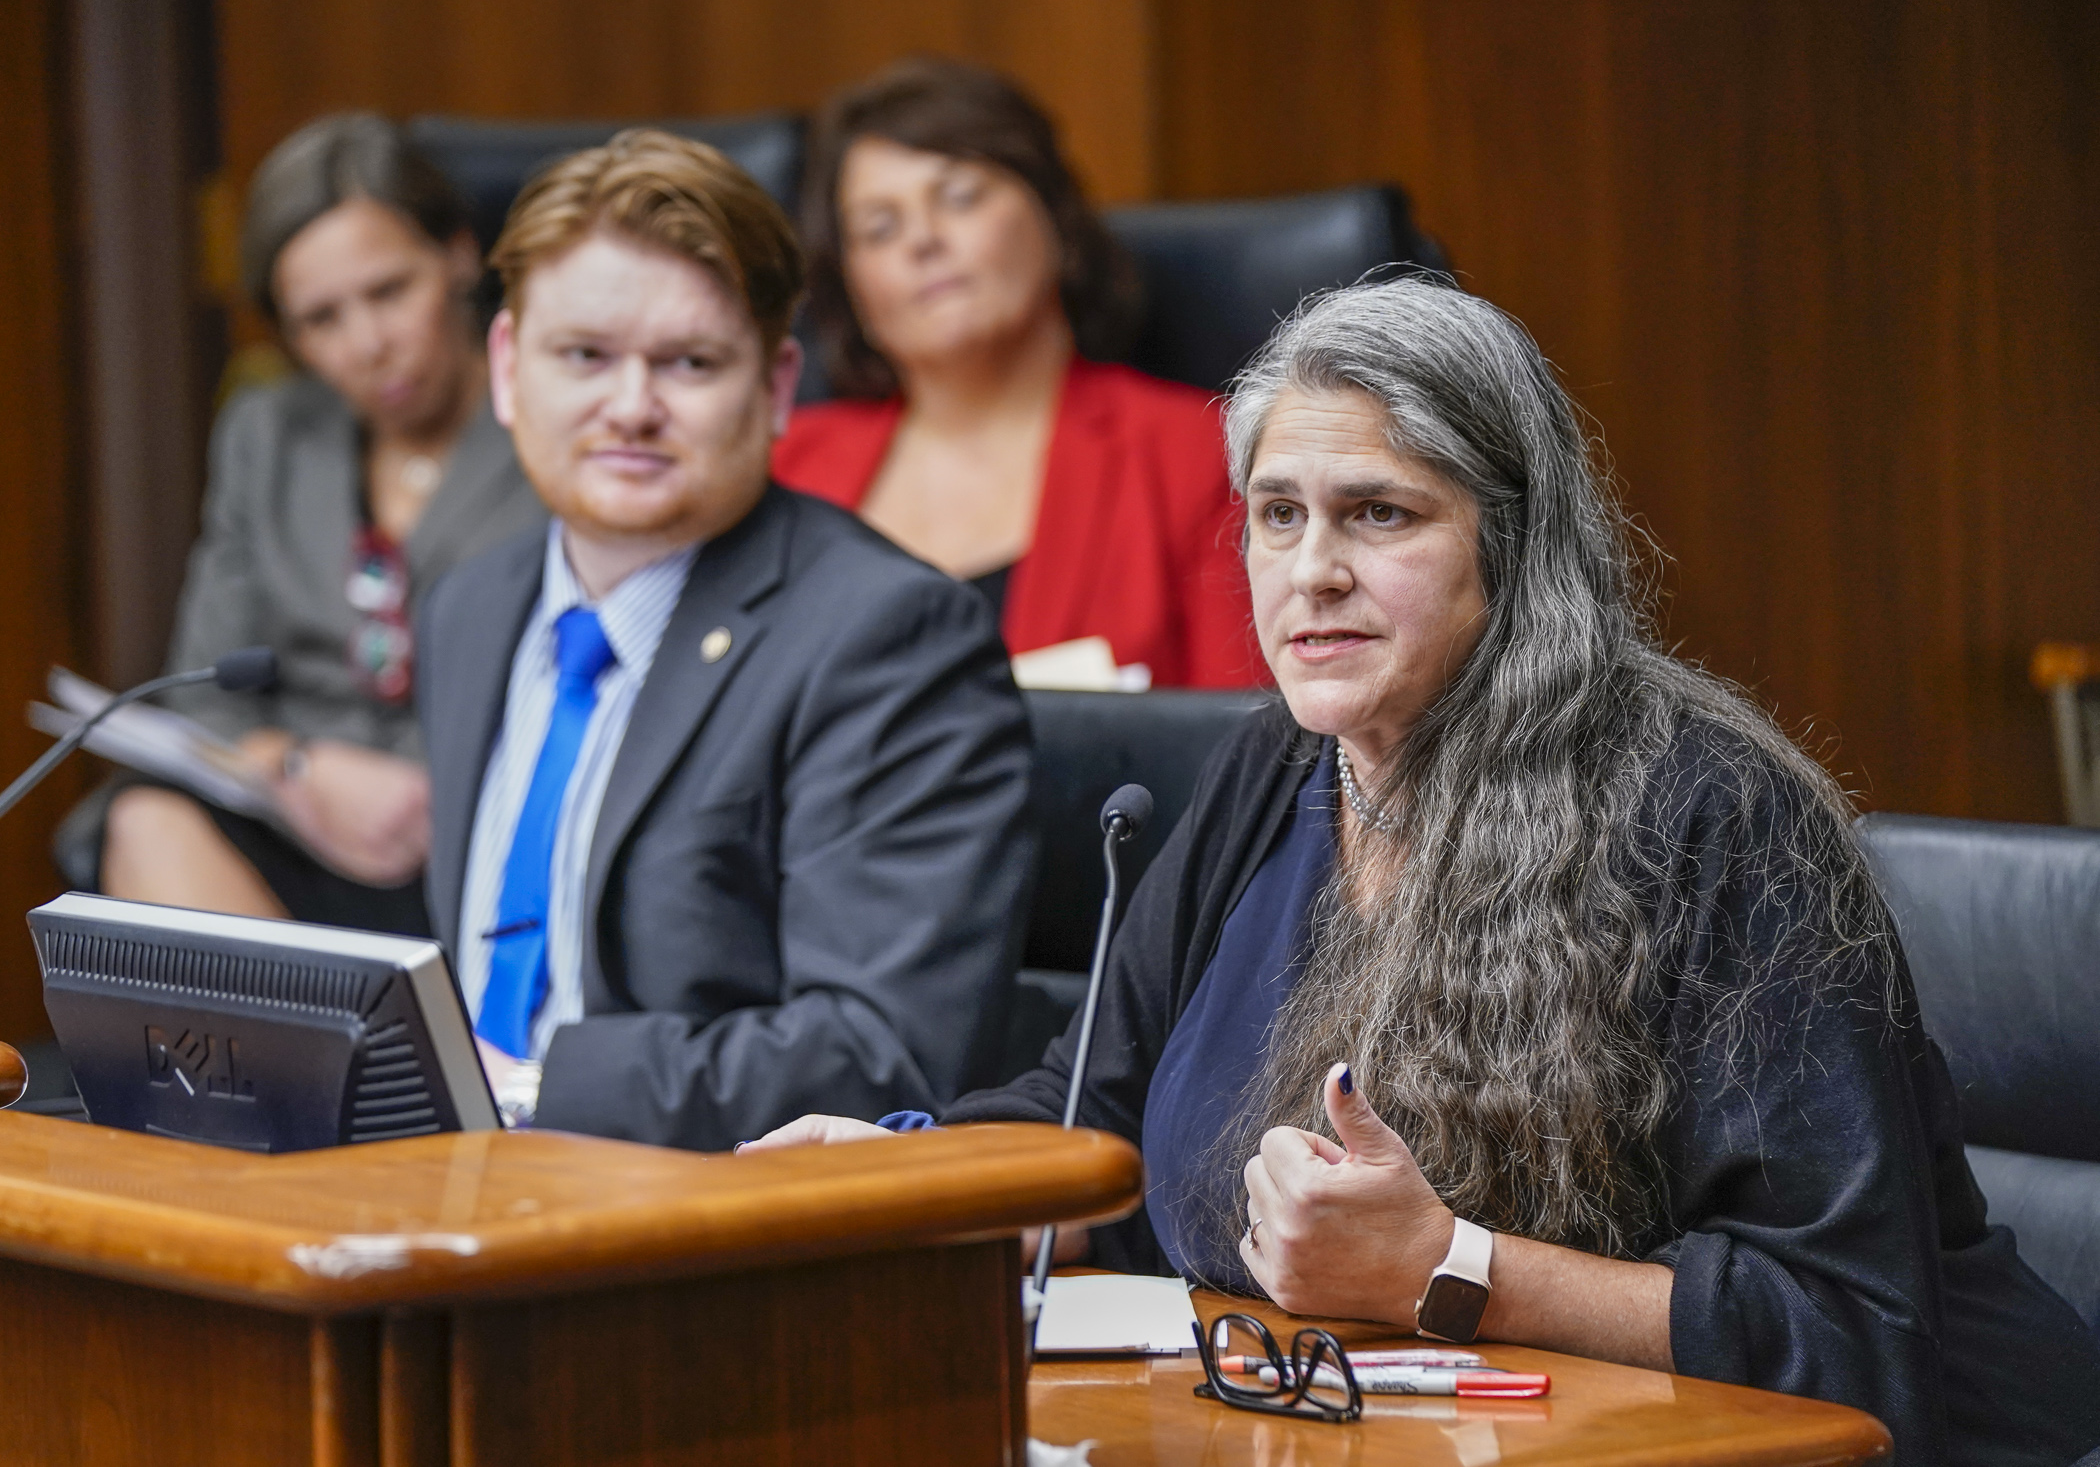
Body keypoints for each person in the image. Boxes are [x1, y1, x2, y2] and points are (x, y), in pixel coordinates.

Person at [745, 279, 2100, 1465]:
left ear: (1511, 551)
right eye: (1277, 515)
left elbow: (1851, 1329)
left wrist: (1450, 1269)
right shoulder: (1274, 769)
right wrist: (913, 1178)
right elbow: (1096, 1099)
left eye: (1377, 515)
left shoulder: (1709, 817)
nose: (1310, 572)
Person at [417, 129, 1033, 1149]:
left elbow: (880, 1052)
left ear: (777, 387)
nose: (631, 407)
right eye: (583, 356)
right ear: (507, 368)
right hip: (446, 1191)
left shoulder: (887, 635)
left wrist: (525, 1094)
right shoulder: (469, 608)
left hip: (696, 1229)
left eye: (689, 363)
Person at [73, 113, 546, 932]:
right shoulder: (270, 434)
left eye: (389, 292)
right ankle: (294, 1061)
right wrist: (298, 767)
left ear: (460, 255)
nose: (368, 343)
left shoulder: (557, 426)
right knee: (143, 821)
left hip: (481, 838)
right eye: (321, 320)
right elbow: (206, 695)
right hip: (295, 822)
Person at [773, 59, 1256, 690]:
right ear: (850, 285)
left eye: (960, 197)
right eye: (879, 228)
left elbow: (1249, 751)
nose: (922, 240)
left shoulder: (1198, 454)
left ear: (1055, 218)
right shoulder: (783, 466)